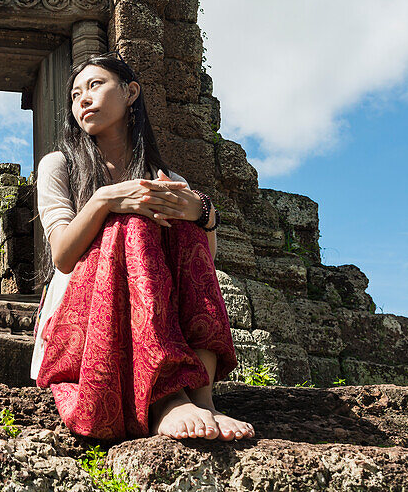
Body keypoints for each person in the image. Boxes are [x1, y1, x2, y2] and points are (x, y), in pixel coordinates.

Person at [31, 53, 254, 442]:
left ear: (131, 91)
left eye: (95, 85)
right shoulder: (59, 164)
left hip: (158, 308)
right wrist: (104, 200)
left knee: (184, 221)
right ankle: (165, 398)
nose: (82, 98)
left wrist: (204, 214)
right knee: (131, 218)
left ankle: (203, 399)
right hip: (82, 316)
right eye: (75, 94)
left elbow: (202, 261)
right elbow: (63, 256)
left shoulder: (166, 177)